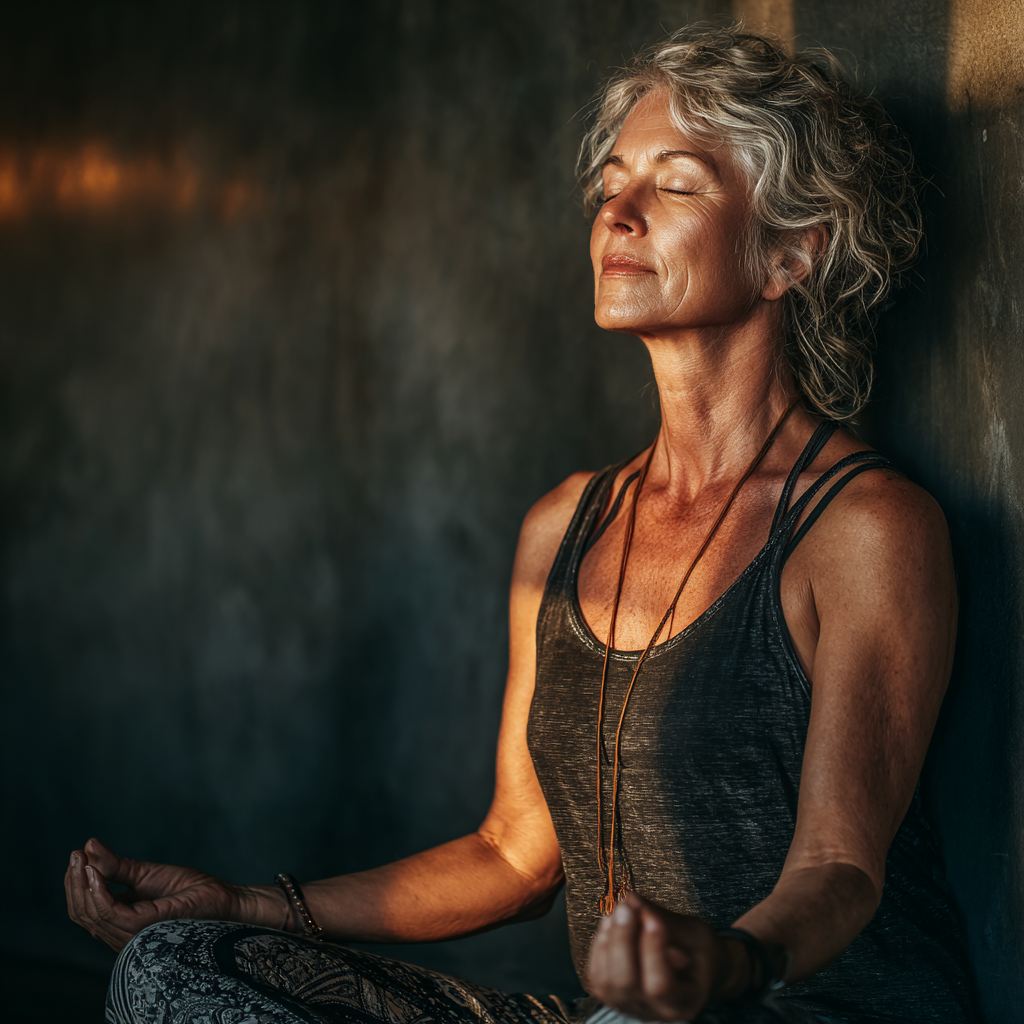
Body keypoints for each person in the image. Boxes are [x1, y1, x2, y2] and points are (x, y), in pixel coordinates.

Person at [65, 24, 980, 1024]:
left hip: (803, 1011)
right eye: (610, 185)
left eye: (675, 185)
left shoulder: (863, 528)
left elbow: (841, 867)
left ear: (789, 254)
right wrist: (247, 906)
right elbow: (513, 854)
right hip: (609, 1021)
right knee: (175, 964)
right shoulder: (566, 526)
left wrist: (721, 963)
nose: (617, 213)